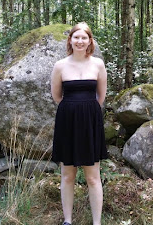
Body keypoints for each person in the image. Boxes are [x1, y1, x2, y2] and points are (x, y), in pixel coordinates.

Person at [51, 22, 108, 225]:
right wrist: (74, 109)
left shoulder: (98, 64)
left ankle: (97, 222)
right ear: (70, 40)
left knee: (93, 176)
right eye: (76, 37)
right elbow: (57, 96)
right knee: (67, 175)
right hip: (67, 122)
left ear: (90, 41)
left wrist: (86, 111)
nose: (80, 41)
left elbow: (100, 96)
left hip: (91, 123)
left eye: (84, 38)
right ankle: (68, 221)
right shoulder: (60, 66)